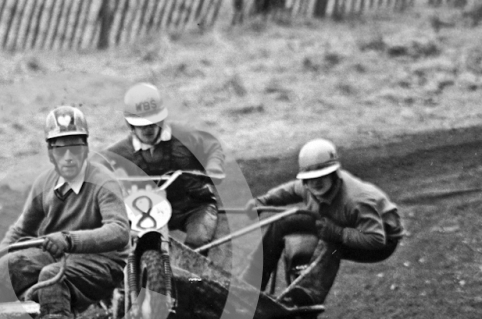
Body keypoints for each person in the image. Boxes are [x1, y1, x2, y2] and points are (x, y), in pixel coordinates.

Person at [0, 105, 129, 319]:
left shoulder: (103, 181)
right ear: (50, 151)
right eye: (60, 148)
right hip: (58, 255)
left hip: (102, 262)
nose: (69, 156)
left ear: (86, 148)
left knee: (51, 278)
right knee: (6, 268)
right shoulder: (44, 184)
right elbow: (21, 229)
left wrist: (70, 239)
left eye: (75, 146)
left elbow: (120, 231)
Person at [243, 138, 404, 306]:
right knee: (281, 222)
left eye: (322, 176)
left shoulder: (356, 200)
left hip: (381, 238)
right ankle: (248, 287)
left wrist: (338, 233)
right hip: (336, 222)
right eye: (311, 178)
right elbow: (290, 190)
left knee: (331, 244)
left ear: (334, 175)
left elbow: (377, 240)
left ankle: (306, 295)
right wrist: (263, 201)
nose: (316, 182)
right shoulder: (308, 187)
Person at [105, 82, 226, 253]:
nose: (148, 128)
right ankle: (140, 277)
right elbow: (96, 167)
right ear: (130, 124)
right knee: (134, 245)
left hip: (194, 206)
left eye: (153, 122)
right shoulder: (120, 152)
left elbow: (212, 146)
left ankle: (193, 281)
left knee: (197, 244)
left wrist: (214, 168)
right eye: (142, 123)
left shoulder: (185, 137)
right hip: (148, 211)